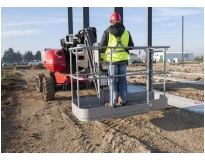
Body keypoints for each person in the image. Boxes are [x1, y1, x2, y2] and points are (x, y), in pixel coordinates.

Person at [99, 13, 134, 107]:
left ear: (111, 21)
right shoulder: (126, 32)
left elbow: (101, 47)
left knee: (112, 81)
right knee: (123, 80)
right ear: (120, 21)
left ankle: (113, 102)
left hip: (112, 60)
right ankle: (124, 101)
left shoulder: (107, 32)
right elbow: (131, 46)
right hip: (123, 60)